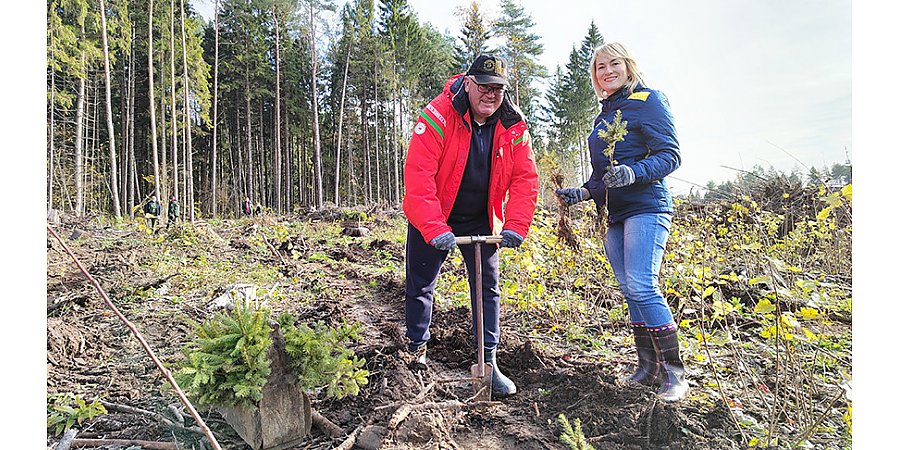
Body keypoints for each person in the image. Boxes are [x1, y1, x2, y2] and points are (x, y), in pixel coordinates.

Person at [402, 54, 539, 398]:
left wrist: (516, 224)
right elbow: (419, 177)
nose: (490, 95)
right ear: (468, 82)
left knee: (487, 288)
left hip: (481, 216)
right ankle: (416, 352)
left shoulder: (514, 125)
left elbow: (525, 179)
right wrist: (433, 227)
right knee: (421, 284)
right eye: (483, 86)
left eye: (497, 89)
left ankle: (488, 363)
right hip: (437, 213)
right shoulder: (438, 114)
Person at [555, 42, 686, 402]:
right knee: (629, 289)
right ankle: (647, 368)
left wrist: (634, 172)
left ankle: (675, 374)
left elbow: (670, 155)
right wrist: (582, 193)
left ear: (628, 65)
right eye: (600, 67)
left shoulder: (650, 100)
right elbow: (602, 176)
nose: (607, 71)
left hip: (647, 205)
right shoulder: (602, 116)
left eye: (614, 63)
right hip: (614, 213)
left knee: (643, 285)